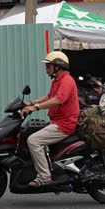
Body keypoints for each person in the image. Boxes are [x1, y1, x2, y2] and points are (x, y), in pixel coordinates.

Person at [20, 51, 80, 187]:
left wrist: (35, 108)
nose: (46, 69)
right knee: (31, 131)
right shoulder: (57, 81)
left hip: (64, 125)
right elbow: (49, 96)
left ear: (57, 66)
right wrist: (31, 103)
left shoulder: (67, 81)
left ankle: (45, 176)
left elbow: (58, 100)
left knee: (33, 141)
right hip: (57, 122)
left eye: (48, 66)